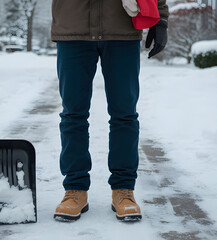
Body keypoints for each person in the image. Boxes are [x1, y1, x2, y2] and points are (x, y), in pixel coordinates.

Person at [51, 0, 169, 222]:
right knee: (73, 115)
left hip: (122, 30)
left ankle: (123, 190)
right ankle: (75, 189)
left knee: (124, 115)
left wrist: (160, 18)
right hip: (72, 29)